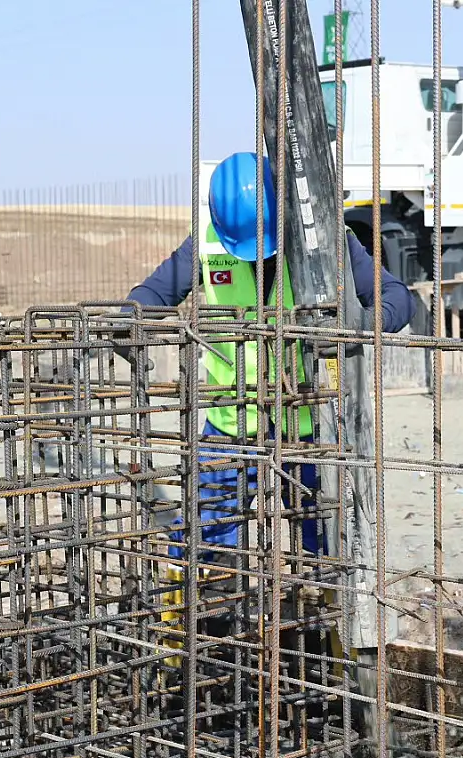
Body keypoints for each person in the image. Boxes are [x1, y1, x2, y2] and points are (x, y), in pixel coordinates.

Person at [123, 150, 416, 621]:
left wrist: (363, 325)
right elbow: (151, 295)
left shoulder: (328, 243)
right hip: (229, 424)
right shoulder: (206, 245)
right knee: (206, 543)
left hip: (307, 429)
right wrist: (128, 320)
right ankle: (205, 644)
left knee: (323, 547)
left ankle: (323, 640)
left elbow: (398, 297)